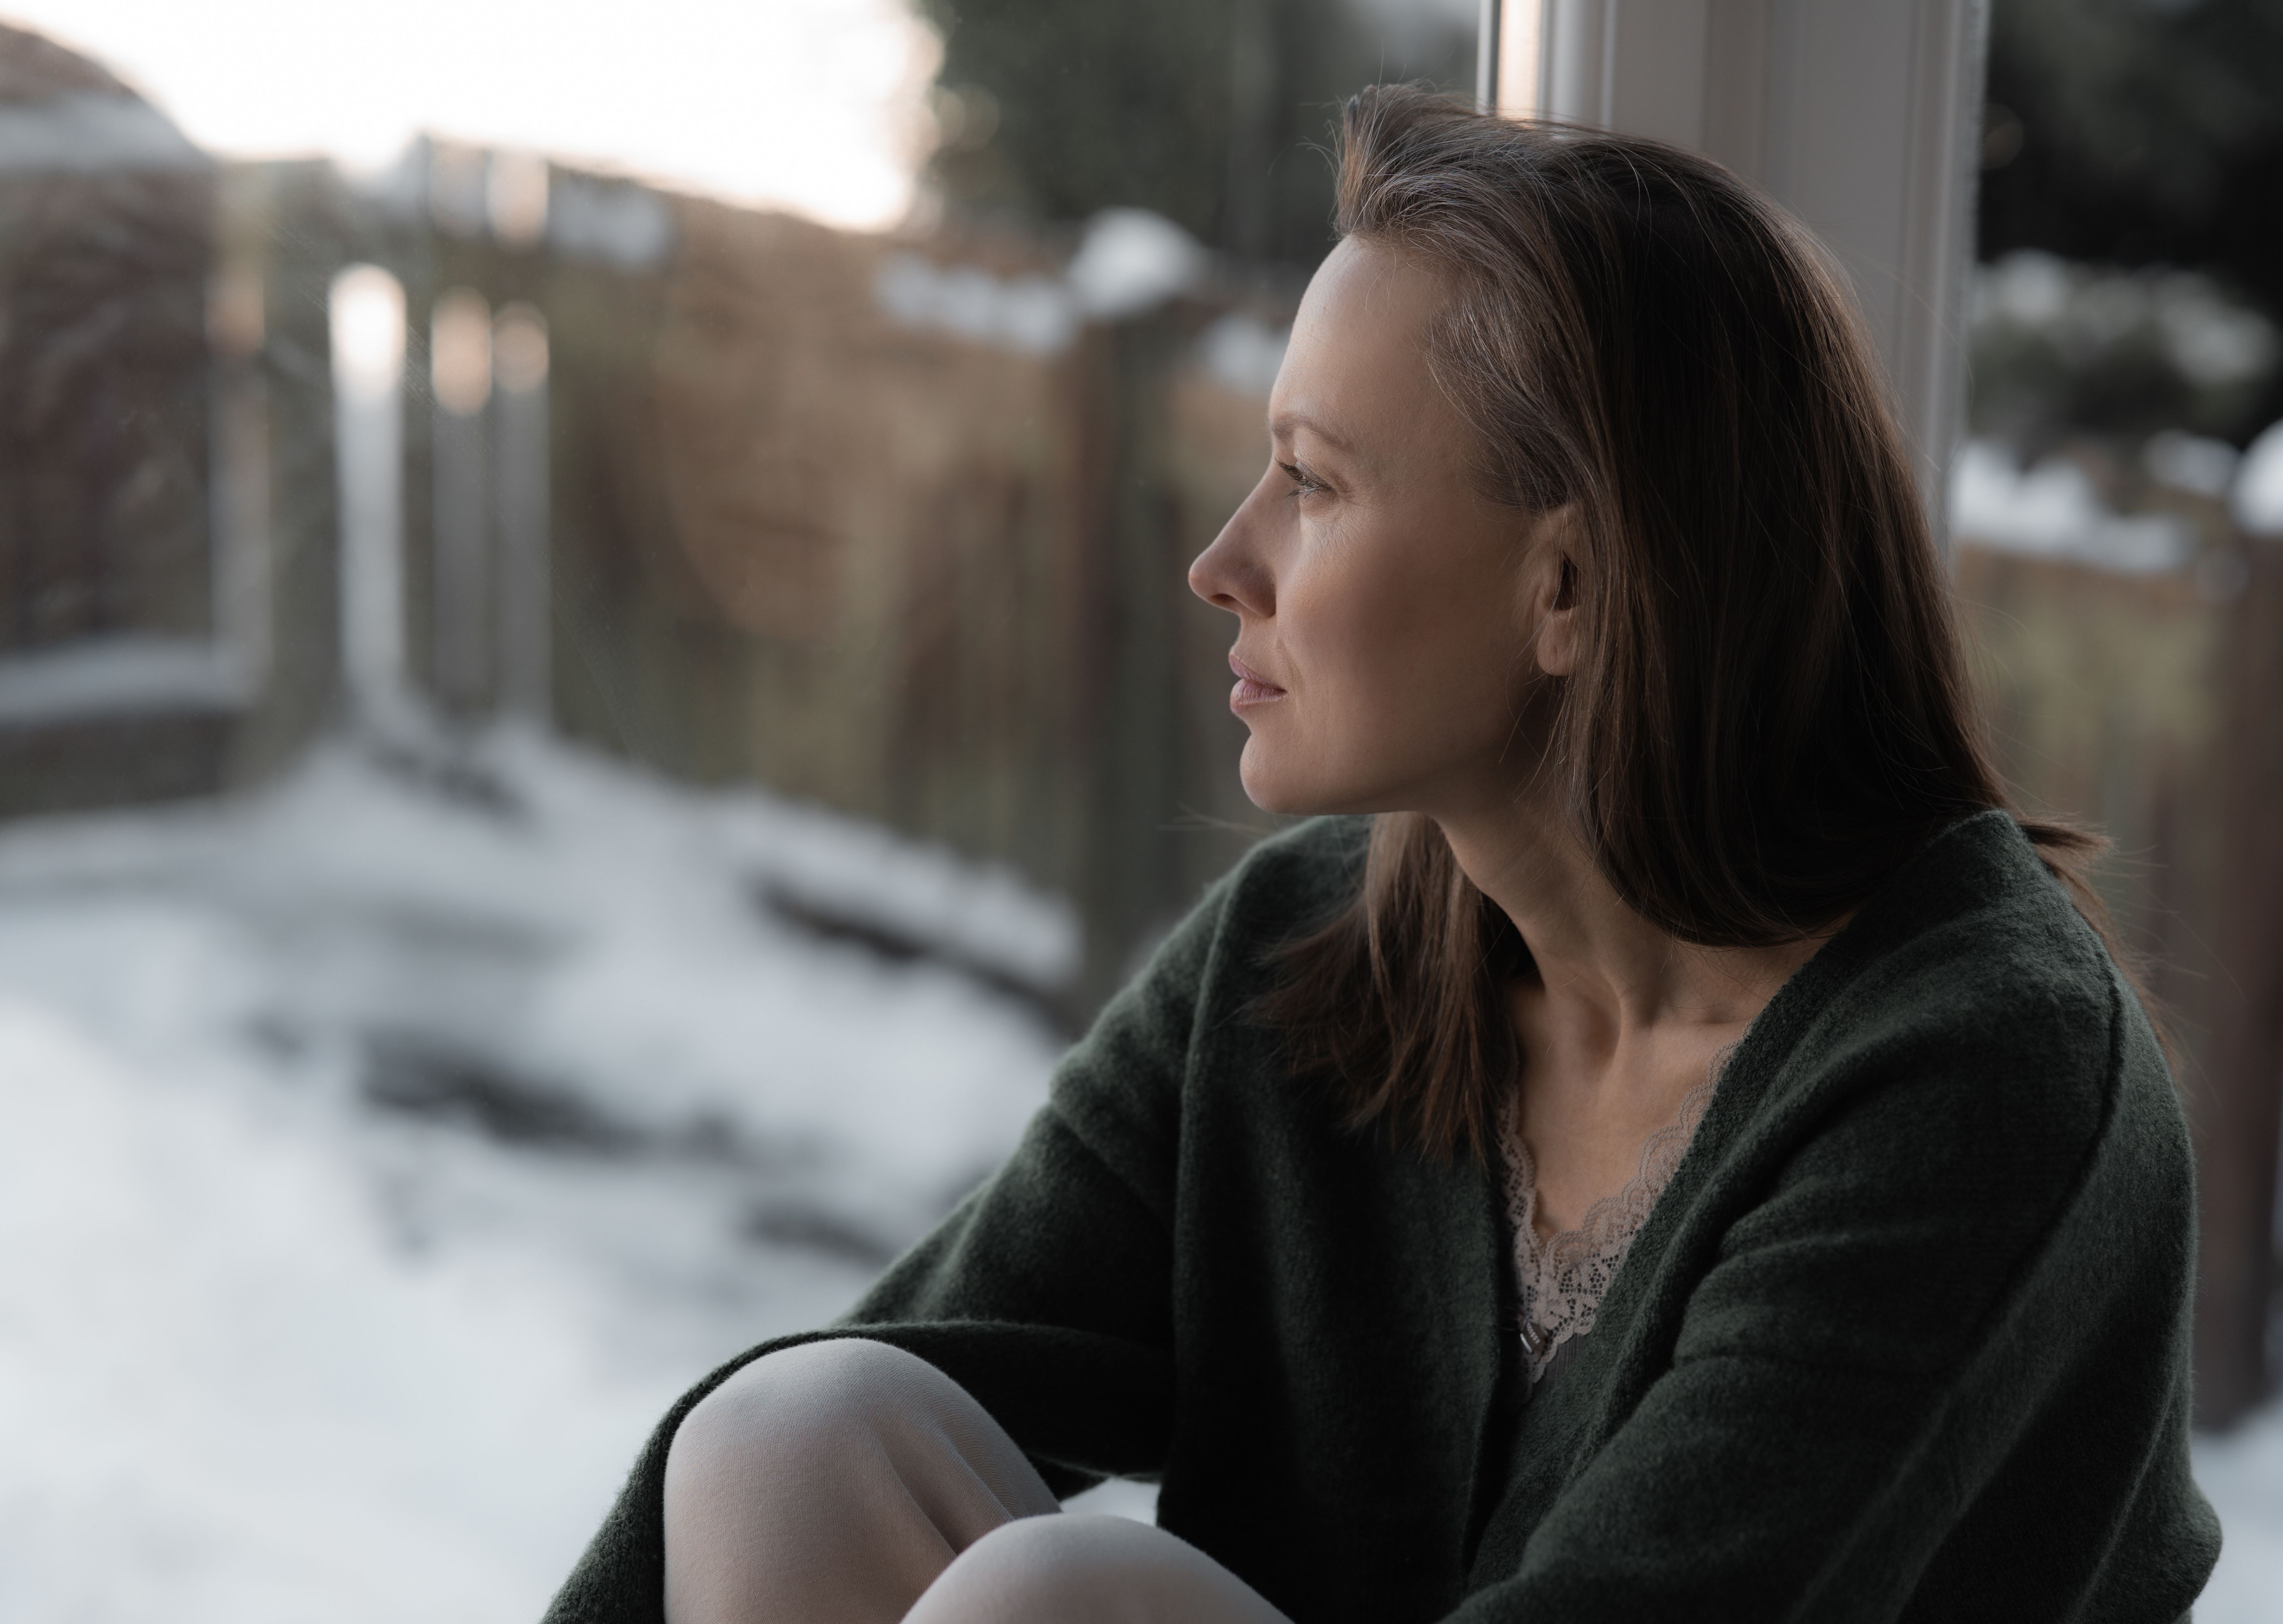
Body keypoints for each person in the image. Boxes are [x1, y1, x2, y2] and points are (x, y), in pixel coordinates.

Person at [544, 86, 2220, 1624]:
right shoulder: (1312, 951)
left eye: (1313, 485)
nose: (1221, 560)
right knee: (796, 1436)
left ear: (1571, 588)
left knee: (1051, 1610)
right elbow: (932, 1353)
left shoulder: (1980, 1074)